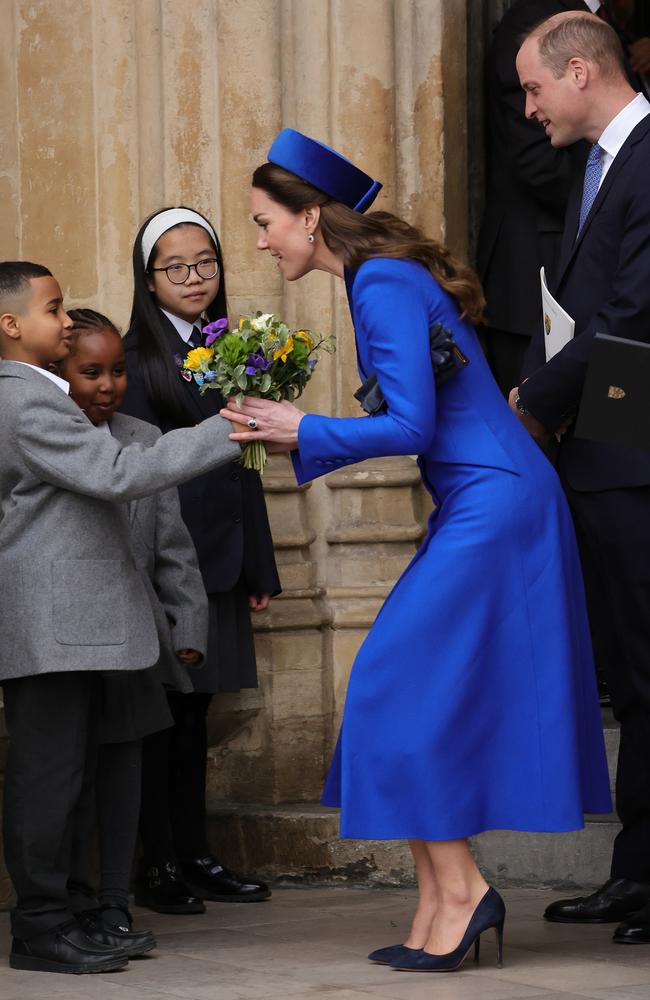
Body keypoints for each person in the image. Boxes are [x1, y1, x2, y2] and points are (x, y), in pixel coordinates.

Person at [223, 128, 611, 973]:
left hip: (496, 504)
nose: (259, 241)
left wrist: (303, 427)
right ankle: (444, 895)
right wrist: (303, 439)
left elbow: (412, 425)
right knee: (402, 694)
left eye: (264, 222)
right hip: (484, 498)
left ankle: (463, 891)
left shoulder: (382, 280)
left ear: (311, 217)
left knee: (389, 684)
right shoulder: (381, 278)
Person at [0, 261, 240, 974]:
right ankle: (40, 928)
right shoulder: (25, 402)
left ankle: (73, 915)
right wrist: (230, 424)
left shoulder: (33, 396)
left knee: (72, 778)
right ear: (10, 325)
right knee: (47, 780)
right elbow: (117, 474)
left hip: (72, 624)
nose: (66, 320)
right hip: (52, 624)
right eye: (53, 309)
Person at [511, 11, 650, 944]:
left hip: (635, 455)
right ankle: (637, 874)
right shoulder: (593, 168)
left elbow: (636, 318)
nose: (527, 111)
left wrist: (537, 401)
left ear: (577, 71)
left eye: (532, 89)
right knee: (637, 681)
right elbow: (573, 306)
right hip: (607, 450)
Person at [119, 207, 279, 911]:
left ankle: (195, 854)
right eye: (175, 267)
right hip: (170, 566)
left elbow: (248, 460)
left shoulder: (234, 345)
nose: (193, 278)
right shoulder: (133, 359)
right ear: (148, 280)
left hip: (225, 556)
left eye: (205, 263)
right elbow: (138, 477)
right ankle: (156, 865)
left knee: (198, 723)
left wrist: (260, 563)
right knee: (163, 725)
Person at [56, 308, 210, 955]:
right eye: (90, 372)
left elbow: (173, 549)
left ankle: (116, 902)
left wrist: (189, 621)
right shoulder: (47, 439)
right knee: (69, 780)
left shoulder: (145, 437)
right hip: (63, 642)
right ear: (60, 376)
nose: (107, 385)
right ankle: (73, 901)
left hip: (135, 642)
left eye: (117, 371)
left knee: (124, 776)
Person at [477, 0, 590, 397]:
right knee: (532, 441)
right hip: (530, 276)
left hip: (570, 274)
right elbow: (537, 164)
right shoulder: (532, 22)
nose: (530, 107)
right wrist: (614, 205)